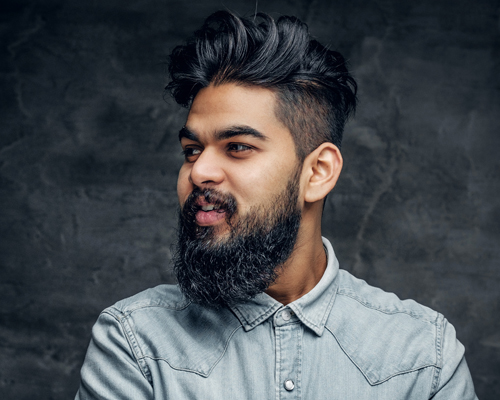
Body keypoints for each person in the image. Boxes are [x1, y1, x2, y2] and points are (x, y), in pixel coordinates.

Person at [75, 10, 477, 399]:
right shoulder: (133, 342)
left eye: (237, 147)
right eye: (192, 150)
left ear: (318, 172)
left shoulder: (425, 356)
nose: (199, 173)